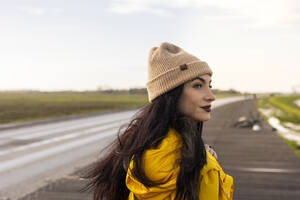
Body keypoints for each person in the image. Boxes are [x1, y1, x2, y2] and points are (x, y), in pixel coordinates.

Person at [82, 42, 234, 200]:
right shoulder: (198, 166)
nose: (211, 96)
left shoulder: (142, 150)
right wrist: (208, 163)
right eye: (197, 85)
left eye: (210, 85)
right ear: (171, 93)